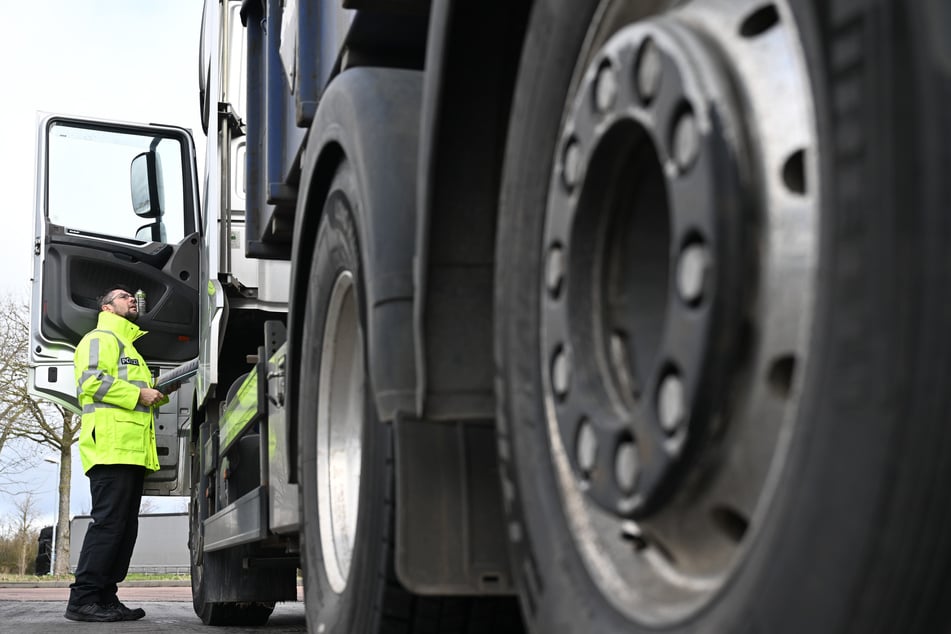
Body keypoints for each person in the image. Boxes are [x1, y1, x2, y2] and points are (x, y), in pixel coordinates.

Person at [64, 285, 177, 622]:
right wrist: (138, 394)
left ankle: (105, 597)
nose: (132, 299)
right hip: (111, 446)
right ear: (107, 308)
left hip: (128, 448)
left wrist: (160, 392)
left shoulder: (129, 348)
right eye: (123, 296)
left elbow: (139, 395)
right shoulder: (100, 338)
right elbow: (91, 382)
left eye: (132, 296)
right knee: (110, 525)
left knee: (124, 528)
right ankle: (83, 599)